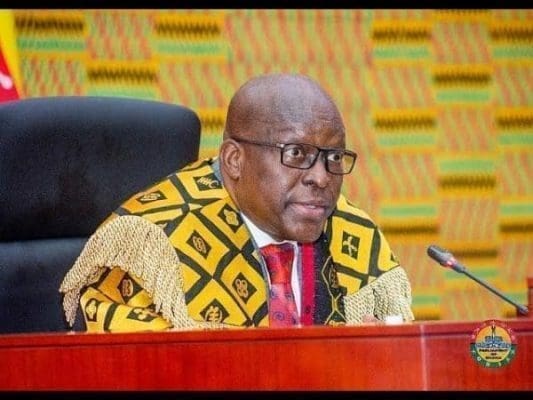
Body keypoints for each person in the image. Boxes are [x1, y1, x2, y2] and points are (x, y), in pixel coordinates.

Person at [60, 73, 414, 332]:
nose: (321, 177)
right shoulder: (153, 244)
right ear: (234, 160)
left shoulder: (353, 233)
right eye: (296, 153)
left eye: (333, 157)